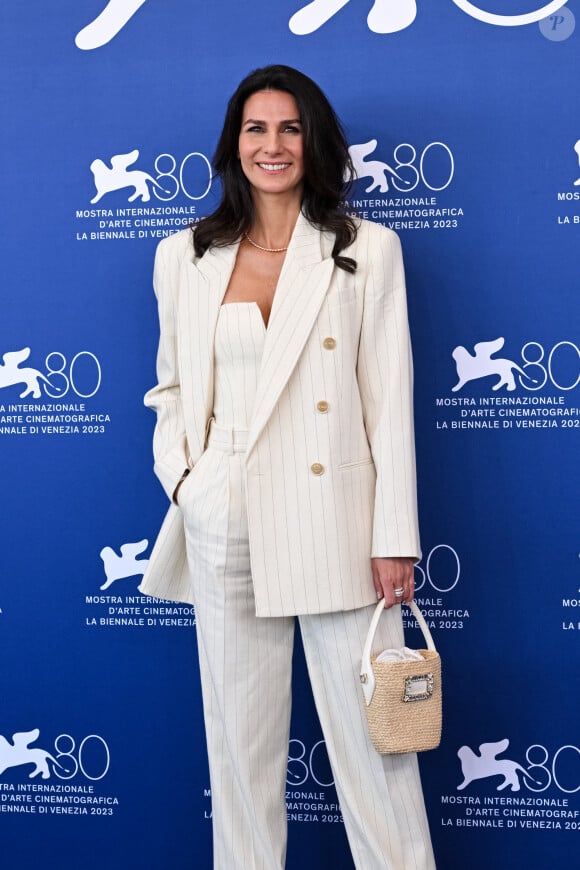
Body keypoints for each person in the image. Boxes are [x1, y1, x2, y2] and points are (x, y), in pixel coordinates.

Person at [140, 64, 436, 870]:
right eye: (256, 129)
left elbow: (389, 402)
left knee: (377, 753)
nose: (273, 145)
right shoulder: (185, 255)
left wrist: (394, 537)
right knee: (237, 755)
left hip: (333, 519)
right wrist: (185, 482)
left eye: (290, 128)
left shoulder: (366, 250)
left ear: (316, 141)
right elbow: (169, 387)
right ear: (234, 146)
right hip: (223, 513)